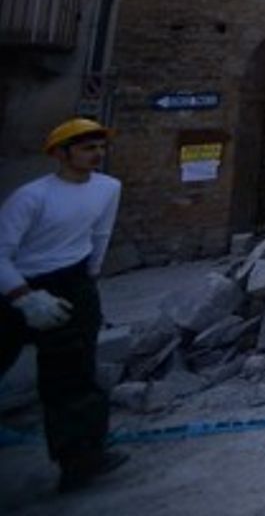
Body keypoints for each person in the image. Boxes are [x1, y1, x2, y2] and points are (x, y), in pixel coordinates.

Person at [0, 118, 129, 493]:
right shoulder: (31, 197)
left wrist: (89, 279)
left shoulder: (107, 188)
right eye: (87, 148)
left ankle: (81, 458)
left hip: (73, 281)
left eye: (100, 147)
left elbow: (100, 234)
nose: (97, 155)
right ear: (60, 153)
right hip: (20, 284)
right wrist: (22, 296)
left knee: (73, 375)